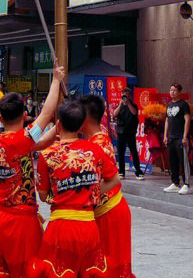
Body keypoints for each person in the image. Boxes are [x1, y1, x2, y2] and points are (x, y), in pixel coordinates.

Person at [0, 63, 64, 278]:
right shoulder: (20, 140)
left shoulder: (3, 140)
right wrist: (55, 80)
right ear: (26, 114)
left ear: (1, 119)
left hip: (1, 219)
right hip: (20, 224)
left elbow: (40, 143)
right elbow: (46, 113)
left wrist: (60, 126)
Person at [32, 100, 119, 278]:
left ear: (58, 124)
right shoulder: (94, 150)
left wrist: (60, 195)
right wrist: (92, 192)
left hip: (60, 227)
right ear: (81, 126)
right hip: (88, 226)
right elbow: (115, 180)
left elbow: (41, 195)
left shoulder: (47, 155)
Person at [81, 94, 134, 278]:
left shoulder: (98, 144)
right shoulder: (96, 134)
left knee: (111, 269)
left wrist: (85, 196)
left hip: (110, 214)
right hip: (105, 212)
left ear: (86, 118)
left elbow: (114, 180)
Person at [162, 83, 191, 195]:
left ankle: (186, 184)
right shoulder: (169, 105)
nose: (172, 92)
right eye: (171, 90)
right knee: (172, 161)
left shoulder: (183, 104)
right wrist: (165, 136)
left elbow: (187, 120)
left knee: (183, 161)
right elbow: (167, 121)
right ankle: (175, 183)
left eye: (174, 90)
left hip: (180, 137)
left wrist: (185, 136)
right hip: (171, 138)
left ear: (179, 92)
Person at [113, 93, 143, 179]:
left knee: (133, 151)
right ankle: (121, 172)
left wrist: (128, 104)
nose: (124, 98)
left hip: (130, 132)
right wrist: (120, 104)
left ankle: (138, 171)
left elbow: (134, 113)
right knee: (121, 152)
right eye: (123, 96)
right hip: (121, 132)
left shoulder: (133, 105)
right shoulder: (120, 106)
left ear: (129, 97)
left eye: (126, 96)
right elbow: (115, 114)